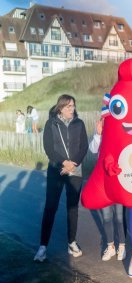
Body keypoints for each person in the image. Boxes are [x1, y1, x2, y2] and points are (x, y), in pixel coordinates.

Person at [34, 94, 88, 262]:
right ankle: (43, 246)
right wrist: (64, 162)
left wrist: (74, 164)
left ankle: (71, 242)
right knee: (51, 207)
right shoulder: (52, 123)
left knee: (72, 208)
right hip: (56, 170)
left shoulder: (79, 123)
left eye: (73, 106)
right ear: (60, 108)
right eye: (68, 107)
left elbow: (84, 146)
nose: (72, 109)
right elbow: (49, 148)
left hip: (75, 170)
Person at [89, 118, 126, 261]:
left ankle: (122, 246)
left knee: (119, 217)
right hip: (103, 183)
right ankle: (110, 246)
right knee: (106, 217)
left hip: (117, 182)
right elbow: (92, 149)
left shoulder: (119, 135)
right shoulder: (100, 137)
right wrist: (98, 134)